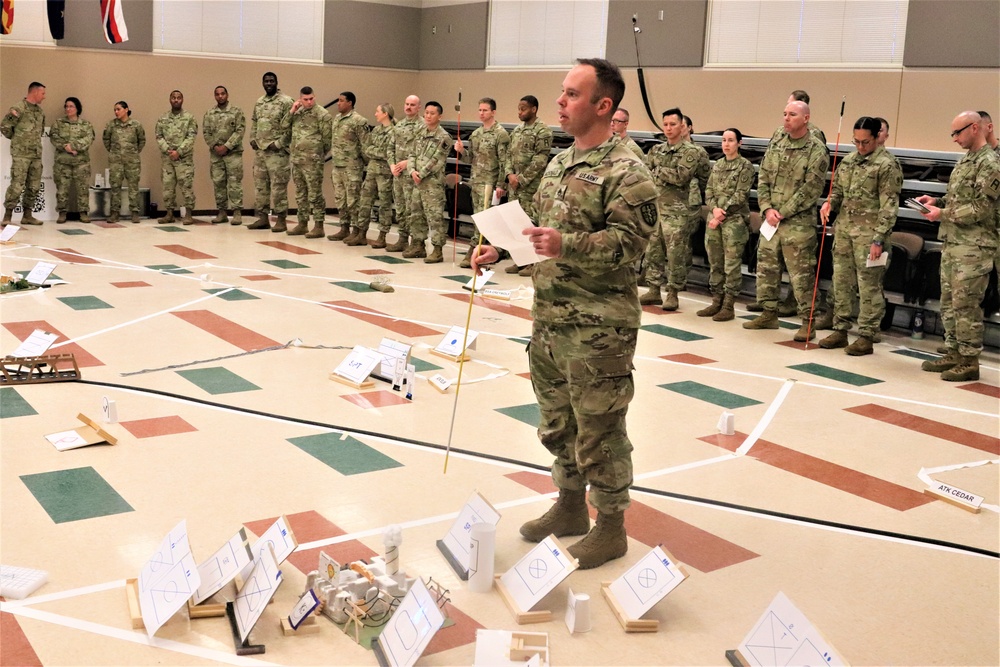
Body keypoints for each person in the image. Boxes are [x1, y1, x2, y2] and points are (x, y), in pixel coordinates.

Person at [472, 58, 658, 570]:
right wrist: (506, 250)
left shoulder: (629, 170)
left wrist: (564, 243)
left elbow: (630, 244)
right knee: (557, 422)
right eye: (561, 92)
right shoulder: (560, 163)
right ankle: (571, 507)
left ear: (604, 106)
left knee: (601, 428)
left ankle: (612, 526)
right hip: (550, 319)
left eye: (572, 94)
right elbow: (542, 236)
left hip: (600, 327)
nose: (560, 102)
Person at [916, 111, 1000, 381]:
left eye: (957, 133)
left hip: (975, 247)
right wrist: (936, 203)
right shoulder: (966, 161)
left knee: (967, 305)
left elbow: (979, 209)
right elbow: (958, 199)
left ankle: (969, 360)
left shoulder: (990, 164)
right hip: (954, 243)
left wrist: (942, 214)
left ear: (975, 128)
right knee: (950, 303)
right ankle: (953, 351)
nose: (954, 139)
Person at [744, 100, 830, 341]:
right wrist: (766, 208)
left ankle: (808, 321)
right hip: (772, 220)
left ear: (806, 118)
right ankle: (769, 313)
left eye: (792, 114)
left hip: (798, 223)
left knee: (801, 276)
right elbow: (763, 178)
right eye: (784, 114)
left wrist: (782, 211)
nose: (786, 118)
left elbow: (811, 189)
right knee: (767, 269)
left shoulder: (816, 149)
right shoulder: (778, 142)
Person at [818, 117, 903, 356]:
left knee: (869, 288)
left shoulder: (887, 165)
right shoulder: (849, 161)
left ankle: (866, 334)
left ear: (877, 137)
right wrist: (829, 205)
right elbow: (838, 191)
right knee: (842, 283)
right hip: (845, 231)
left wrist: (878, 239)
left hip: (870, 237)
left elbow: (889, 207)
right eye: (856, 141)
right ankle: (840, 329)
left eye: (865, 142)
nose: (860, 146)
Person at [638, 108, 701, 311]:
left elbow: (681, 177)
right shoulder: (656, 150)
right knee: (653, 251)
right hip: (656, 209)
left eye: (673, 124)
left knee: (675, 254)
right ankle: (654, 289)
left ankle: (673, 292)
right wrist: (660, 171)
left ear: (682, 125)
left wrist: (658, 170)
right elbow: (646, 173)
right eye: (665, 124)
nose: (668, 128)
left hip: (677, 211)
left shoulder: (690, 152)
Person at [700, 128, 754, 321]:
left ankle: (729, 304)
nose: (726, 144)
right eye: (723, 140)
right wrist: (714, 209)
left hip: (734, 222)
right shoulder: (718, 165)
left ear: (739, 143)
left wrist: (720, 214)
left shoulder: (745, 166)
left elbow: (740, 195)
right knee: (715, 262)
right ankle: (716, 300)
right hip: (715, 220)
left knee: (731, 264)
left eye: (731, 140)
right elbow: (709, 191)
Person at [455, 97, 510, 267]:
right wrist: (461, 151)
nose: (481, 113)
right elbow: (470, 159)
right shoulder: (476, 134)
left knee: (484, 219)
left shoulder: (500, 134)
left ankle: (474, 250)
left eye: (485, 110)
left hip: (490, 183)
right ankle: (486, 251)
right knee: (478, 218)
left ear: (493, 112)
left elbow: (504, 161)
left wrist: (501, 184)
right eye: (479, 110)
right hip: (476, 181)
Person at [502, 95, 553, 275]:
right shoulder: (517, 131)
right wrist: (509, 175)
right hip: (513, 186)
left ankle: (532, 262)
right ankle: (520, 260)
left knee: (530, 223)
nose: (520, 112)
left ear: (534, 109)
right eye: (518, 108)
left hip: (530, 187)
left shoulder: (543, 131)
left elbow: (540, 160)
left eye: (523, 108)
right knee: (514, 223)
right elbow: (508, 155)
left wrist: (521, 179)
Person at [403, 101, 452, 263]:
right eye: (427, 113)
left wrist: (421, 173)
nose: (428, 116)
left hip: (432, 183)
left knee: (434, 217)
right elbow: (411, 154)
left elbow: (437, 160)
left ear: (440, 116)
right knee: (416, 214)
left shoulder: (444, 137)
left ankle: (437, 250)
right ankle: (418, 245)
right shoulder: (420, 132)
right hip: (417, 181)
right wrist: (412, 171)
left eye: (432, 113)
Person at [248, 72, 293, 232]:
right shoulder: (259, 102)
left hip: (277, 153)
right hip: (260, 152)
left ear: (276, 82)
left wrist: (279, 143)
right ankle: (262, 218)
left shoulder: (286, 101)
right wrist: (252, 138)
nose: (269, 83)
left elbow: (291, 127)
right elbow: (254, 121)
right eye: (266, 81)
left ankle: (281, 220)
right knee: (260, 187)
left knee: (278, 187)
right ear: (262, 83)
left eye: (271, 81)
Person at [286, 86, 331, 239]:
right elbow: (283, 127)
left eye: (311, 98)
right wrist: (292, 110)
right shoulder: (297, 114)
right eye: (305, 99)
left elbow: (327, 140)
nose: (309, 102)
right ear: (300, 99)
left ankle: (319, 225)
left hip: (313, 161)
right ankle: (302, 223)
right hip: (297, 159)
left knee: (315, 194)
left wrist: (317, 154)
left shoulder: (322, 114)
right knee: (300, 193)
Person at [2, 82, 46, 226]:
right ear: (34, 92)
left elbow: (39, 132)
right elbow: (5, 127)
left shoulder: (40, 112)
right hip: (21, 154)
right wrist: (18, 141)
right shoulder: (18, 108)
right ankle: (7, 216)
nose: (44, 97)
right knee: (17, 185)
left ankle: (27, 215)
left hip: (35, 154)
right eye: (42, 93)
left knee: (34, 186)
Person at [328, 91, 370, 243]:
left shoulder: (359, 121)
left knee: (353, 200)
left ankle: (357, 231)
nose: (338, 103)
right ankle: (344, 228)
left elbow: (365, 145)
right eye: (338, 100)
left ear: (350, 103)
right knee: (341, 199)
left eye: (341, 101)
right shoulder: (337, 119)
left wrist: (364, 164)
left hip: (352, 166)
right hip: (337, 166)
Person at [203, 85, 245, 225]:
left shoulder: (236, 111)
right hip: (216, 155)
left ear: (227, 95)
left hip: (233, 154)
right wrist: (216, 147)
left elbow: (240, 131)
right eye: (217, 94)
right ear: (214, 96)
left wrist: (227, 146)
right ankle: (222, 212)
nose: (220, 96)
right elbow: (206, 133)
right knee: (218, 183)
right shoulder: (209, 113)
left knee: (234, 183)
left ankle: (237, 212)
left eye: (222, 94)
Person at [355, 103, 396, 248]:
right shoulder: (377, 130)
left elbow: (388, 153)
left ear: (385, 113)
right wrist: (377, 152)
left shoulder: (393, 132)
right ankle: (361, 233)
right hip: (372, 170)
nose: (375, 114)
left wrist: (376, 152)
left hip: (385, 173)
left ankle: (382, 235)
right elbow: (367, 149)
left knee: (385, 204)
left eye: (378, 111)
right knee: (365, 201)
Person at [154, 90, 198, 225]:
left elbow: (191, 137)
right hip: (168, 159)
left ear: (182, 100)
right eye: (173, 98)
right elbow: (158, 135)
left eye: (178, 98)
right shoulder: (163, 118)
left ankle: (189, 214)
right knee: (168, 186)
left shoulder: (189, 118)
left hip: (183, 159)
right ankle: (169, 214)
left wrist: (179, 151)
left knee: (186, 186)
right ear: (170, 100)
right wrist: (168, 150)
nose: (176, 100)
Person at [50, 96, 95, 224]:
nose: (68, 109)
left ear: (77, 108)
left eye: (71, 106)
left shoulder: (86, 124)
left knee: (82, 189)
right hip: (63, 163)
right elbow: (54, 138)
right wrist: (66, 147)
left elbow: (88, 139)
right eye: (66, 106)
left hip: (81, 163)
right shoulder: (58, 123)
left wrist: (74, 147)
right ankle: (62, 213)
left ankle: (83, 213)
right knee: (62, 189)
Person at [387, 94, 422, 253]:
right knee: (400, 208)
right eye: (407, 104)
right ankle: (402, 238)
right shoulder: (398, 126)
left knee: (412, 209)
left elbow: (423, 152)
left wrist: (407, 163)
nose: (408, 107)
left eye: (412, 105)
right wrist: (392, 165)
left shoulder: (422, 126)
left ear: (418, 107)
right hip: (398, 175)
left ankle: (416, 242)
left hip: (412, 175)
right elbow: (390, 148)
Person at [103, 101, 145, 223]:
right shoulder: (111, 125)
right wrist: (114, 153)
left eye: (118, 109)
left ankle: (135, 213)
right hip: (116, 161)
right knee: (115, 187)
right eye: (115, 110)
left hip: (132, 161)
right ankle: (115, 213)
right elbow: (106, 140)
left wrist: (133, 153)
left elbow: (141, 140)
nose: (116, 112)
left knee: (133, 186)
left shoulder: (136, 125)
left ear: (126, 109)